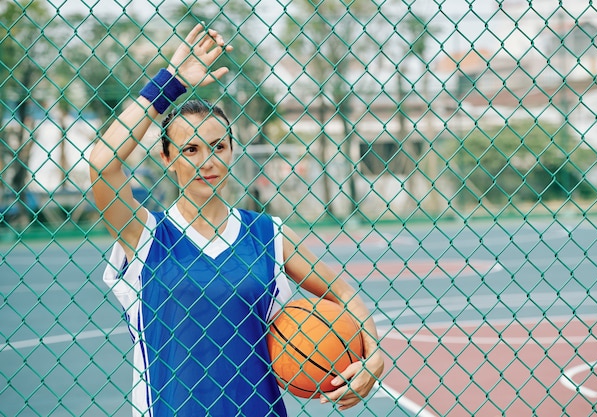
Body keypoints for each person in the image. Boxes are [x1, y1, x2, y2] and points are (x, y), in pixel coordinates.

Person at [90, 23, 384, 417]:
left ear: (232, 151)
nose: (207, 161)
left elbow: (344, 294)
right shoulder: (145, 236)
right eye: (190, 149)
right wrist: (169, 85)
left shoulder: (268, 234)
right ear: (167, 158)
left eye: (218, 146)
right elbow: (102, 163)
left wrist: (373, 355)